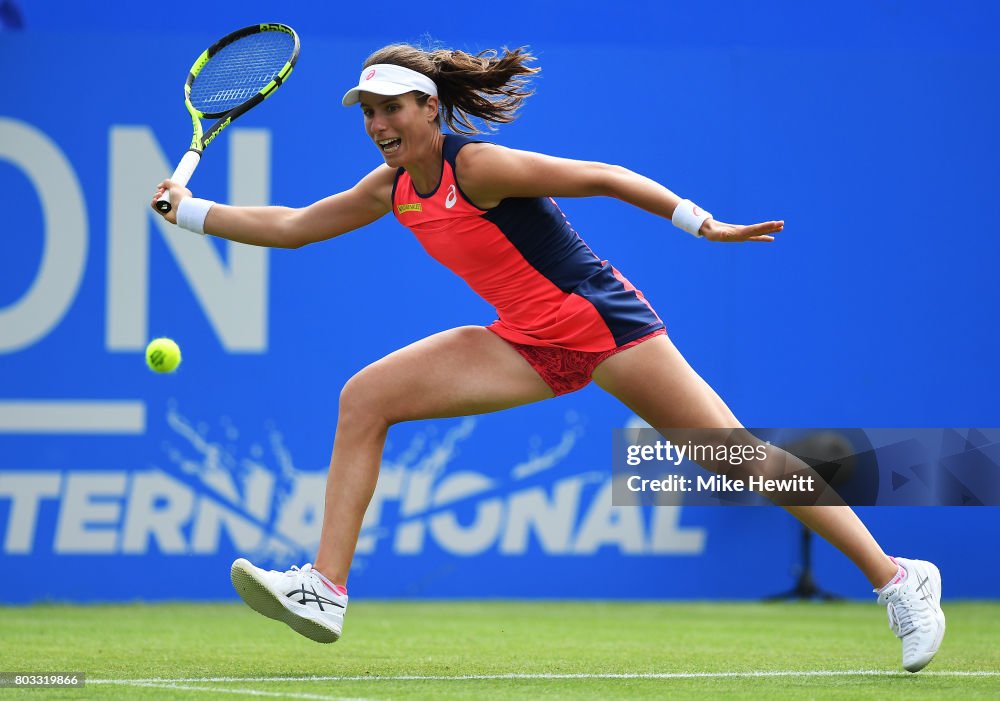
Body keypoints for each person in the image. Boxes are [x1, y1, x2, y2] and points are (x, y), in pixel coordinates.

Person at [152, 43, 945, 672]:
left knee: (731, 456)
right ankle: (325, 589)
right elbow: (293, 226)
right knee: (366, 397)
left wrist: (705, 227)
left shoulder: (481, 167)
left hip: (603, 325)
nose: (378, 125)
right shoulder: (389, 186)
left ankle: (897, 578)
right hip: (526, 340)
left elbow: (603, 176)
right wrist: (190, 213)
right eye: (367, 113)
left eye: (391, 109)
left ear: (429, 109)